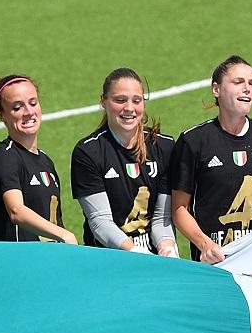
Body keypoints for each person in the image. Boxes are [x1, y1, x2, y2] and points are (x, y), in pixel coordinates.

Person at [170, 55, 252, 262]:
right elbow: (179, 209)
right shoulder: (193, 141)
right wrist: (205, 244)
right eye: (238, 82)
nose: (247, 88)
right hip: (217, 263)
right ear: (216, 89)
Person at [70, 68, 177, 253]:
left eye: (137, 100)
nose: (129, 108)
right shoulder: (88, 152)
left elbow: (162, 217)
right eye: (120, 100)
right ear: (104, 101)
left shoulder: (165, 147)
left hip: (153, 255)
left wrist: (167, 247)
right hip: (109, 258)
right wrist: (135, 251)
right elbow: (100, 222)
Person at [0, 73, 76, 243]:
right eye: (17, 107)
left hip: (47, 260)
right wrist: (64, 234)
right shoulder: (5, 157)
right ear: (2, 114)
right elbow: (16, 210)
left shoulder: (45, 161)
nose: (29, 112)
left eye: (33, 103)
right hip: (19, 264)